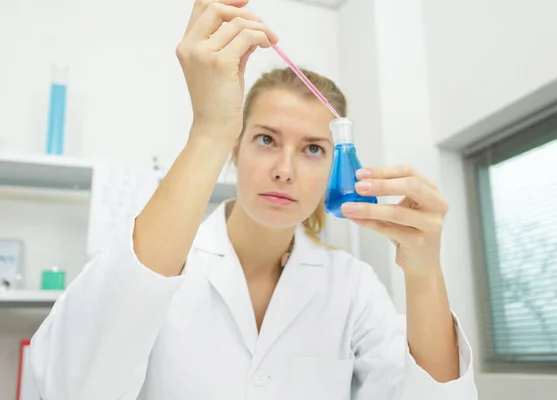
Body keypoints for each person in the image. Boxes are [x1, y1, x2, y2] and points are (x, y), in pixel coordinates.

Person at [29, 0, 478, 399]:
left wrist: (423, 275)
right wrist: (208, 128)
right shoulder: (163, 256)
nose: (285, 168)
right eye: (266, 139)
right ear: (235, 148)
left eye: (313, 149)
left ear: (332, 169)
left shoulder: (352, 286)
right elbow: (68, 388)